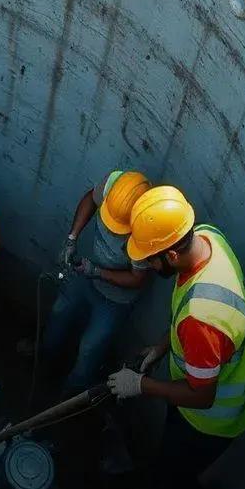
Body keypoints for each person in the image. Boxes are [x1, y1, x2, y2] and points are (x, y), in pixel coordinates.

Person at [105, 186, 245, 489]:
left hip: (208, 422)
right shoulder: (206, 237)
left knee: (168, 480)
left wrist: (140, 385)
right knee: (174, 471)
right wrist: (160, 347)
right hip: (203, 404)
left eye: (150, 258)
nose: (146, 264)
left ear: (171, 255)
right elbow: (187, 320)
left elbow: (201, 397)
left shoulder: (201, 320)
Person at [42, 170, 153, 396]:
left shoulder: (148, 230)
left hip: (116, 300)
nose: (112, 230)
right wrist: (72, 238)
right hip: (88, 275)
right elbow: (89, 199)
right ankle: (43, 357)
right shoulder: (112, 186)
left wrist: (98, 272)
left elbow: (137, 278)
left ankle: (69, 396)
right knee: (59, 310)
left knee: (90, 347)